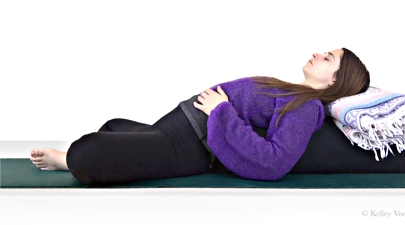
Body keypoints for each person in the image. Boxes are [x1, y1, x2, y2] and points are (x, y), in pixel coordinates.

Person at [30, 48, 370, 185]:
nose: (317, 53)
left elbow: (274, 162)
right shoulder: (297, 94)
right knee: (115, 127)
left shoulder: (307, 108)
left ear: (335, 80)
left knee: (89, 152)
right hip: (184, 124)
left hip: (194, 143)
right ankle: (85, 156)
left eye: (328, 57)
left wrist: (220, 111)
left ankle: (68, 160)